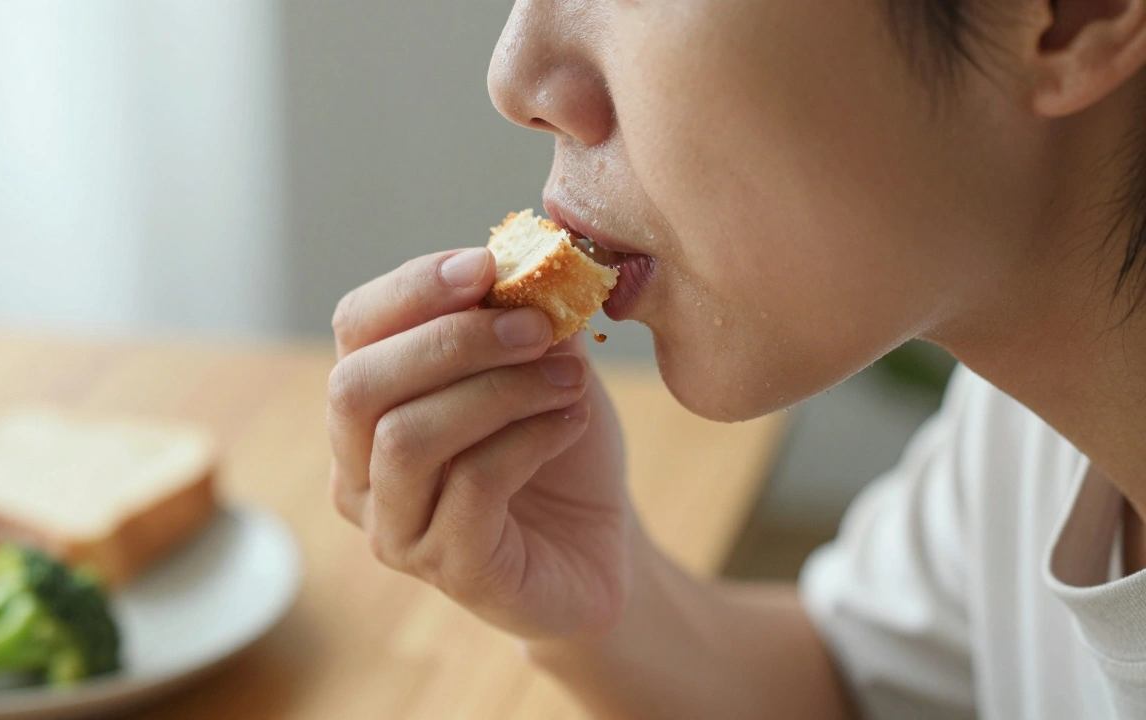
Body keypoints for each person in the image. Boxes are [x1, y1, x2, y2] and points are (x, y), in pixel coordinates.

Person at [326, 1, 1146, 717]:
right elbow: (860, 690)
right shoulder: (1029, 422)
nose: (515, 79)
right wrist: (609, 612)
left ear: (1073, 13)